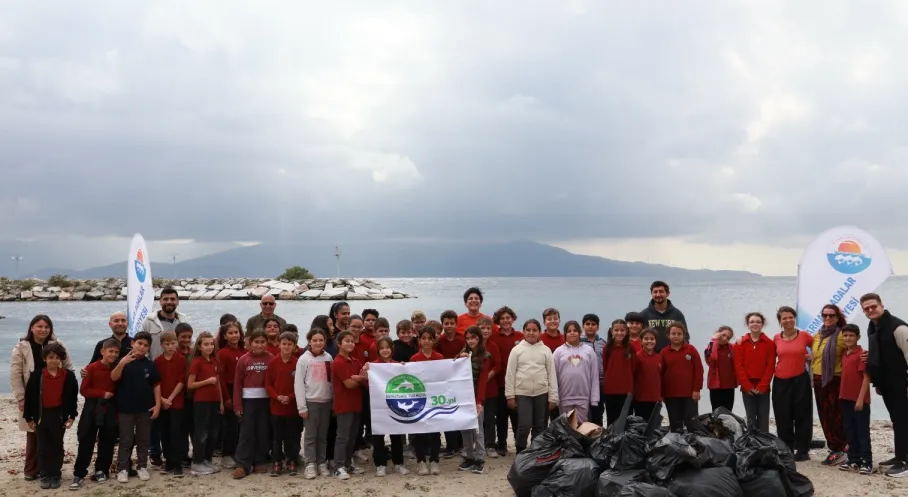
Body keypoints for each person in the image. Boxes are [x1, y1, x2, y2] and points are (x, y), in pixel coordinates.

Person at [10, 314, 72, 481]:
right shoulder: (21, 347)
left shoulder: (58, 344)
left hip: (55, 394)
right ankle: (31, 469)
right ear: (32, 327)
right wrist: (21, 398)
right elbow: (15, 374)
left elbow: (68, 367)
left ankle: (53, 469)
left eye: (46, 327)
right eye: (39, 326)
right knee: (33, 432)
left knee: (55, 436)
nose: (43, 329)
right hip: (32, 396)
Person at [862, 293, 908, 477]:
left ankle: (905, 462)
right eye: (867, 308)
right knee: (897, 421)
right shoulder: (873, 327)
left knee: (904, 421)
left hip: (902, 384)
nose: (871, 310)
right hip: (887, 383)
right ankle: (900, 456)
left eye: (874, 306)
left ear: (882, 305)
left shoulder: (899, 328)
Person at [23, 343, 78, 490]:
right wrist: (29, 418)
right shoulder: (37, 376)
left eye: (57, 358)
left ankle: (55, 474)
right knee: (42, 447)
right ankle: (45, 474)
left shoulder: (68, 376)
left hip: (59, 416)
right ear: (45, 359)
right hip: (42, 416)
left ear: (61, 359)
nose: (53, 360)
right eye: (50, 357)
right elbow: (29, 397)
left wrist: (72, 416)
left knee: (57, 446)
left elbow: (72, 398)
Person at [111, 331, 161, 484]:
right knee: (126, 440)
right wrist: (122, 363)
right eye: (139, 343)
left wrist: (158, 405)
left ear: (148, 348)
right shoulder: (122, 361)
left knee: (143, 439)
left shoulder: (150, 365)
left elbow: (156, 385)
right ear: (133, 343)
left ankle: (142, 466)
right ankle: (123, 469)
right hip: (125, 409)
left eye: (146, 345)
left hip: (145, 409)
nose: (142, 347)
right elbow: (113, 377)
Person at [71, 338, 119, 489]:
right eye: (111, 351)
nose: (113, 354)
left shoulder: (117, 369)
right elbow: (84, 390)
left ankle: (101, 470)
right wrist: (101, 393)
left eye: (116, 352)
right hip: (92, 408)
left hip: (110, 409)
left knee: (108, 440)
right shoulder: (91, 368)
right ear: (102, 351)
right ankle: (79, 473)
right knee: (86, 439)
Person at [506, 319, 558, 453]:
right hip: (522, 393)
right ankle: (520, 449)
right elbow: (510, 374)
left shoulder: (546, 350)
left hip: (542, 393)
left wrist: (553, 397)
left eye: (534, 330)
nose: (531, 333)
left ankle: (536, 450)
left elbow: (551, 375)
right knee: (524, 425)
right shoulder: (516, 350)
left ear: (540, 332)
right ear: (523, 332)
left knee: (540, 425)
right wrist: (510, 396)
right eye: (528, 330)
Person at [772, 306, 814, 461]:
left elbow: (821, 347)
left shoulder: (804, 335)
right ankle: (786, 448)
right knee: (783, 415)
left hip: (800, 379)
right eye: (784, 318)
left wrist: (811, 356)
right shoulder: (776, 338)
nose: (788, 320)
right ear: (780, 321)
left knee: (803, 415)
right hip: (780, 381)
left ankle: (803, 450)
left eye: (791, 317)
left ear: (794, 318)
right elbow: (769, 358)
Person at [231, 330, 273, 479]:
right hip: (248, 402)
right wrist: (237, 405)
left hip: (265, 401)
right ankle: (242, 464)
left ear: (266, 343)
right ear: (250, 343)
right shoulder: (243, 360)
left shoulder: (271, 359)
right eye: (256, 342)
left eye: (262, 342)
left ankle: (260, 460)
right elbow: (237, 384)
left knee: (263, 431)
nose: (259, 345)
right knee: (246, 433)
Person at [812, 304, 848, 466]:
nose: (828, 318)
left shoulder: (841, 334)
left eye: (831, 315)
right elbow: (815, 356)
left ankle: (840, 448)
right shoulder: (818, 334)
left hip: (834, 380)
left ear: (837, 317)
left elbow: (852, 352)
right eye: (825, 315)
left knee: (836, 415)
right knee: (824, 415)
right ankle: (835, 446)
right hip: (819, 380)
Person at [296, 328, 334, 480]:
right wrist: (301, 406)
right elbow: (298, 383)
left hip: (325, 401)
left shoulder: (328, 358)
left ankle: (321, 462)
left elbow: (331, 381)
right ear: (309, 342)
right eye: (314, 340)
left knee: (322, 435)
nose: (318, 343)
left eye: (321, 340)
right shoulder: (304, 359)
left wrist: (333, 400)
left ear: (325, 341)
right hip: (310, 402)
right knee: (310, 435)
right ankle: (310, 463)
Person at [369, 337, 409, 476]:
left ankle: (398, 463)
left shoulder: (397, 365)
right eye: (382, 348)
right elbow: (365, 384)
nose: (385, 350)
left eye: (387, 347)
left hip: (395, 405)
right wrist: (365, 371)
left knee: (396, 434)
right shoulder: (373, 365)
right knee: (378, 435)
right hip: (378, 405)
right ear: (378, 350)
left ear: (392, 349)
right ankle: (380, 464)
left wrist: (404, 367)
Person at [332, 330, 368, 480]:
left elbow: (363, 379)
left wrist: (359, 377)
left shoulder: (355, 361)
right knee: (343, 437)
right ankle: (338, 466)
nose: (350, 343)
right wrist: (360, 378)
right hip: (344, 405)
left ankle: (348, 463)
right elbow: (349, 384)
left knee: (352, 436)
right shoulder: (338, 362)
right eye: (347, 341)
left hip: (356, 404)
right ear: (339, 344)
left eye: (352, 341)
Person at [410, 326, 445, 475]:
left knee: (435, 433)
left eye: (429, 338)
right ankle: (421, 461)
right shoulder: (414, 359)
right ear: (419, 340)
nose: (426, 341)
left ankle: (435, 460)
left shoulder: (440, 358)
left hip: (435, 400)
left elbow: (445, 377)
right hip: (420, 401)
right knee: (419, 432)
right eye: (423, 338)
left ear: (434, 340)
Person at [187, 331, 223, 476]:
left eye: (211, 344)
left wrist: (220, 402)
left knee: (213, 433)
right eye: (206, 344)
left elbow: (218, 382)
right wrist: (206, 382)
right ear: (200, 346)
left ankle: (207, 459)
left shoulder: (214, 361)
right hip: (201, 402)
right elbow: (190, 384)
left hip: (214, 401)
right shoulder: (197, 362)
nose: (209, 347)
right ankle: (197, 462)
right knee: (201, 433)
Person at [266, 331, 301, 476]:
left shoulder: (297, 362)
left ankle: (291, 460)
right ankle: (277, 461)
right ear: (279, 345)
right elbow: (268, 384)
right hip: (277, 407)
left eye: (289, 344)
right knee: (277, 437)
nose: (286, 347)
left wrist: (291, 397)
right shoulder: (273, 362)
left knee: (291, 436)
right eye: (284, 344)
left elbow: (300, 384)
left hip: (292, 407)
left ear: (294, 347)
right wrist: (277, 396)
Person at [839, 324, 872, 475]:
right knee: (850, 430)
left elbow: (866, 378)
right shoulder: (845, 354)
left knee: (862, 432)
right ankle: (853, 459)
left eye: (851, 335)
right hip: (844, 398)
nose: (848, 338)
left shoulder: (862, 354)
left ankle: (867, 461)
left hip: (859, 401)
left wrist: (860, 399)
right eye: (845, 335)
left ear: (858, 337)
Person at [734, 312, 775, 432]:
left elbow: (770, 366)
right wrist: (746, 385)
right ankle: (752, 443)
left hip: (763, 386)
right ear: (747, 324)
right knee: (750, 416)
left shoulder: (770, 343)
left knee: (763, 417)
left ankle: (764, 444)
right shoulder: (740, 343)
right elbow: (738, 365)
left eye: (758, 322)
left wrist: (763, 385)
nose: (755, 324)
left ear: (762, 324)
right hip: (747, 386)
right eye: (752, 322)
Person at [490, 306, 523, 456]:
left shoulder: (521, 336)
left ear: (513, 319)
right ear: (498, 320)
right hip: (499, 383)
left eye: (508, 318)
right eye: (502, 318)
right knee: (501, 416)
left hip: (518, 383)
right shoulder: (493, 337)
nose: (505, 321)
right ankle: (502, 444)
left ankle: (519, 444)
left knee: (517, 415)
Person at [458, 327, 491, 474]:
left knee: (478, 430)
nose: (471, 341)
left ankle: (479, 459)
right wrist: (460, 359)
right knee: (465, 428)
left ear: (479, 339)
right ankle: (469, 457)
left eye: (474, 338)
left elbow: (483, 381)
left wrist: (479, 402)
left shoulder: (485, 356)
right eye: (468, 338)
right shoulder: (461, 354)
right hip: (462, 398)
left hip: (476, 398)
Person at [154, 331, 187, 477]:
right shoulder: (157, 361)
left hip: (176, 401)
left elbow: (182, 380)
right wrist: (161, 399)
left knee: (176, 433)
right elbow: (155, 382)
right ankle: (168, 462)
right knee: (164, 433)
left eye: (173, 343)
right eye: (167, 344)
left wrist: (171, 398)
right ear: (161, 345)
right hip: (162, 401)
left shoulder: (181, 359)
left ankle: (177, 463)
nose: (170, 346)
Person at [553, 320, 599, 423]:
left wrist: (594, 399)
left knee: (581, 428)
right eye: (569, 331)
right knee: (567, 428)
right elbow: (554, 376)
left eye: (575, 330)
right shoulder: (558, 352)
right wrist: (555, 397)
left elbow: (594, 376)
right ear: (565, 334)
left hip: (583, 397)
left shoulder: (589, 351)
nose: (572, 333)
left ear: (580, 332)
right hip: (564, 397)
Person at [660, 322, 702, 432]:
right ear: (668, 335)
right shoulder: (664, 352)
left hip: (690, 394)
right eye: (673, 333)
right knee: (675, 423)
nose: (676, 336)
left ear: (684, 335)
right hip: (671, 395)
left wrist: (697, 389)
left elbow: (699, 370)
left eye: (679, 334)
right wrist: (662, 393)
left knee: (692, 423)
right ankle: (677, 447)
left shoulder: (691, 349)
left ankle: (694, 446)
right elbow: (660, 374)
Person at [216, 321, 245, 469]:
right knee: (230, 425)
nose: (234, 335)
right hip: (229, 388)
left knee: (242, 425)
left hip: (243, 390)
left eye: (236, 332)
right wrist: (226, 397)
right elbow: (220, 378)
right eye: (231, 333)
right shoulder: (222, 353)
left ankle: (239, 453)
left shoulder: (244, 351)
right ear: (225, 336)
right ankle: (227, 455)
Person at [436, 310, 465, 458]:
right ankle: (450, 446)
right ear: (442, 324)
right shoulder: (439, 341)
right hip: (444, 382)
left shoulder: (462, 340)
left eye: (452, 323)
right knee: (447, 413)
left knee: (459, 413)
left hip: (459, 382)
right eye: (446, 323)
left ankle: (460, 445)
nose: (449, 326)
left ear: (456, 324)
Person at [602, 319, 636, 426]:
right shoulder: (606, 348)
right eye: (616, 330)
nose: (619, 333)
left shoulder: (631, 348)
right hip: (610, 391)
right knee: (612, 420)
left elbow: (633, 368)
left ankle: (625, 442)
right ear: (611, 331)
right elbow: (605, 366)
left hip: (626, 391)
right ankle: (612, 442)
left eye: (622, 330)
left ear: (626, 331)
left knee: (626, 421)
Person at [141, 286, 188, 363]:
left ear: (178, 301)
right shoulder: (149, 322)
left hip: (179, 368)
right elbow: (143, 347)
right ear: (160, 301)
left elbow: (190, 344)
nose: (169, 302)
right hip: (156, 368)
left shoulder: (183, 320)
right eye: (165, 299)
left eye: (172, 299)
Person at [476, 316, 501, 459]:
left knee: (490, 418)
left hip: (490, 388)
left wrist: (486, 378)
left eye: (488, 328)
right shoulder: (472, 345)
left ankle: (490, 445)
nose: (485, 331)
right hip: (474, 389)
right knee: (477, 418)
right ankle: (477, 444)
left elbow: (497, 365)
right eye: (482, 328)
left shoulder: (493, 346)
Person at [640, 281, 688, 351]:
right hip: (651, 356)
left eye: (661, 291)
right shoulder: (644, 314)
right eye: (655, 292)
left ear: (668, 293)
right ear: (651, 294)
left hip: (672, 355)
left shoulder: (677, 314)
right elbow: (638, 337)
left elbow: (685, 336)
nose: (658, 294)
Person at [580, 313, 606, 425]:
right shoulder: (579, 342)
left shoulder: (603, 343)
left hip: (601, 383)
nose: (590, 326)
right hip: (584, 383)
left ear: (598, 327)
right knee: (585, 411)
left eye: (593, 324)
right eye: (587, 324)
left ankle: (597, 435)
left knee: (598, 411)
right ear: (583, 326)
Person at [705, 326, 737, 412]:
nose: (725, 338)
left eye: (728, 338)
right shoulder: (710, 347)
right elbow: (713, 358)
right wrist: (714, 340)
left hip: (729, 386)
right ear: (718, 333)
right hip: (715, 386)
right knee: (716, 412)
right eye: (723, 335)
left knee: (728, 413)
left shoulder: (732, 348)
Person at [633, 328, 663, 421]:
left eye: (652, 339)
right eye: (646, 339)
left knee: (654, 427)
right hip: (640, 399)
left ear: (656, 341)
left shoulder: (659, 357)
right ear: (641, 341)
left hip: (656, 398)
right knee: (641, 426)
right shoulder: (637, 357)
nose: (649, 341)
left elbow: (661, 378)